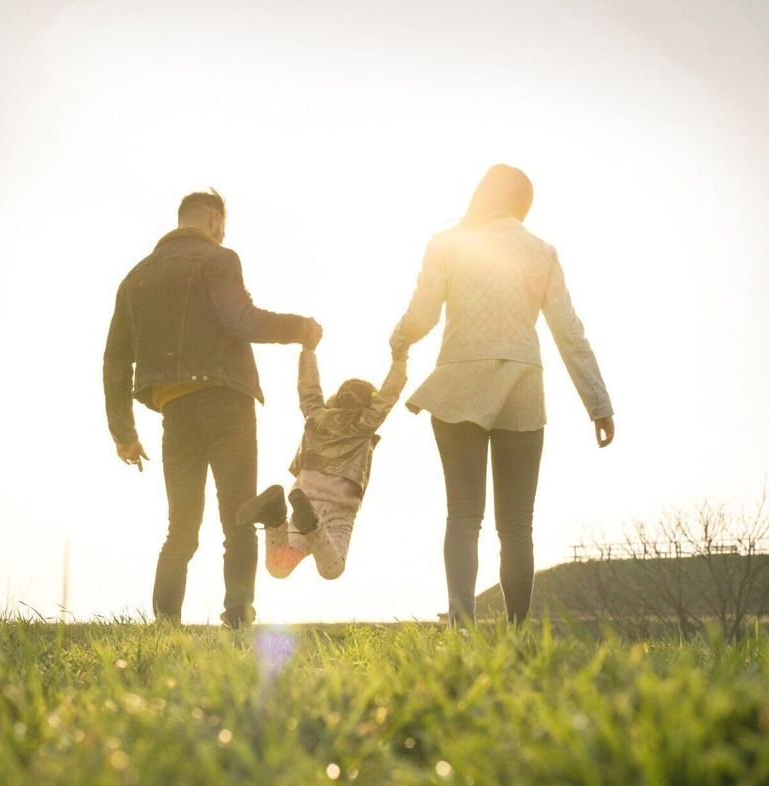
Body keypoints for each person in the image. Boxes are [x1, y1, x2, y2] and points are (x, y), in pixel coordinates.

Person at [389, 165, 615, 625]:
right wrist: (599, 404)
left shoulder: (448, 244)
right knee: (517, 526)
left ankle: (461, 623)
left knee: (463, 513)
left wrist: (399, 340)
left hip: (458, 384)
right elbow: (569, 333)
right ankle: (517, 630)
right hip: (521, 388)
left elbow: (423, 314)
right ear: (524, 204)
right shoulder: (541, 252)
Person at [103, 189, 323, 627]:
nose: (222, 234)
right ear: (211, 220)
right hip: (227, 401)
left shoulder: (135, 279)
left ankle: (165, 624)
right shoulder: (220, 260)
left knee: (180, 528)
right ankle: (238, 618)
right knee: (238, 517)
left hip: (175, 411)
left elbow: (114, 361)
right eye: (221, 226)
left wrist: (123, 433)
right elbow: (242, 319)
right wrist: (301, 328)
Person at [235, 346, 408, 580]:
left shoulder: (315, 417)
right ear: (368, 404)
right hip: (338, 511)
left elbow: (308, 389)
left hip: (304, 498)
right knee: (332, 569)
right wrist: (400, 360)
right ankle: (312, 524)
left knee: (279, 567)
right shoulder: (364, 424)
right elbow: (389, 395)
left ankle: (275, 516)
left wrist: (308, 350)